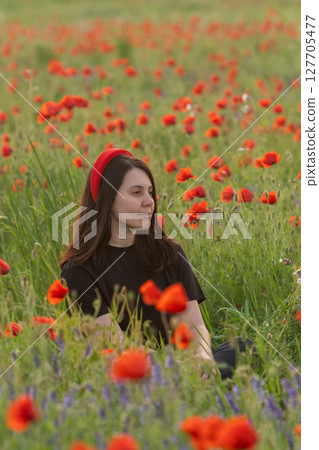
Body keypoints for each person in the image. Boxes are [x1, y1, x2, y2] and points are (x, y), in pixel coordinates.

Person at [59, 148, 254, 379]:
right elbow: (114, 345)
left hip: (183, 364)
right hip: (132, 373)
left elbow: (195, 327)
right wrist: (176, 367)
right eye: (136, 192)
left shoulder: (168, 253)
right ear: (108, 199)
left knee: (243, 347)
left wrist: (202, 359)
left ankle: (196, 385)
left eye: (150, 192)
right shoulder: (79, 270)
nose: (149, 202)